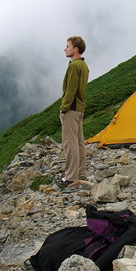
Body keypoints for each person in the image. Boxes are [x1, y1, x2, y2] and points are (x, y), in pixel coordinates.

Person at [57, 36, 89, 187]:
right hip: (80, 108)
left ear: (75, 49)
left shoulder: (73, 66)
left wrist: (64, 109)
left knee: (70, 143)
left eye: (68, 46)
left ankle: (70, 177)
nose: (65, 48)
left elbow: (71, 90)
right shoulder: (83, 65)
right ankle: (81, 173)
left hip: (72, 108)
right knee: (79, 142)